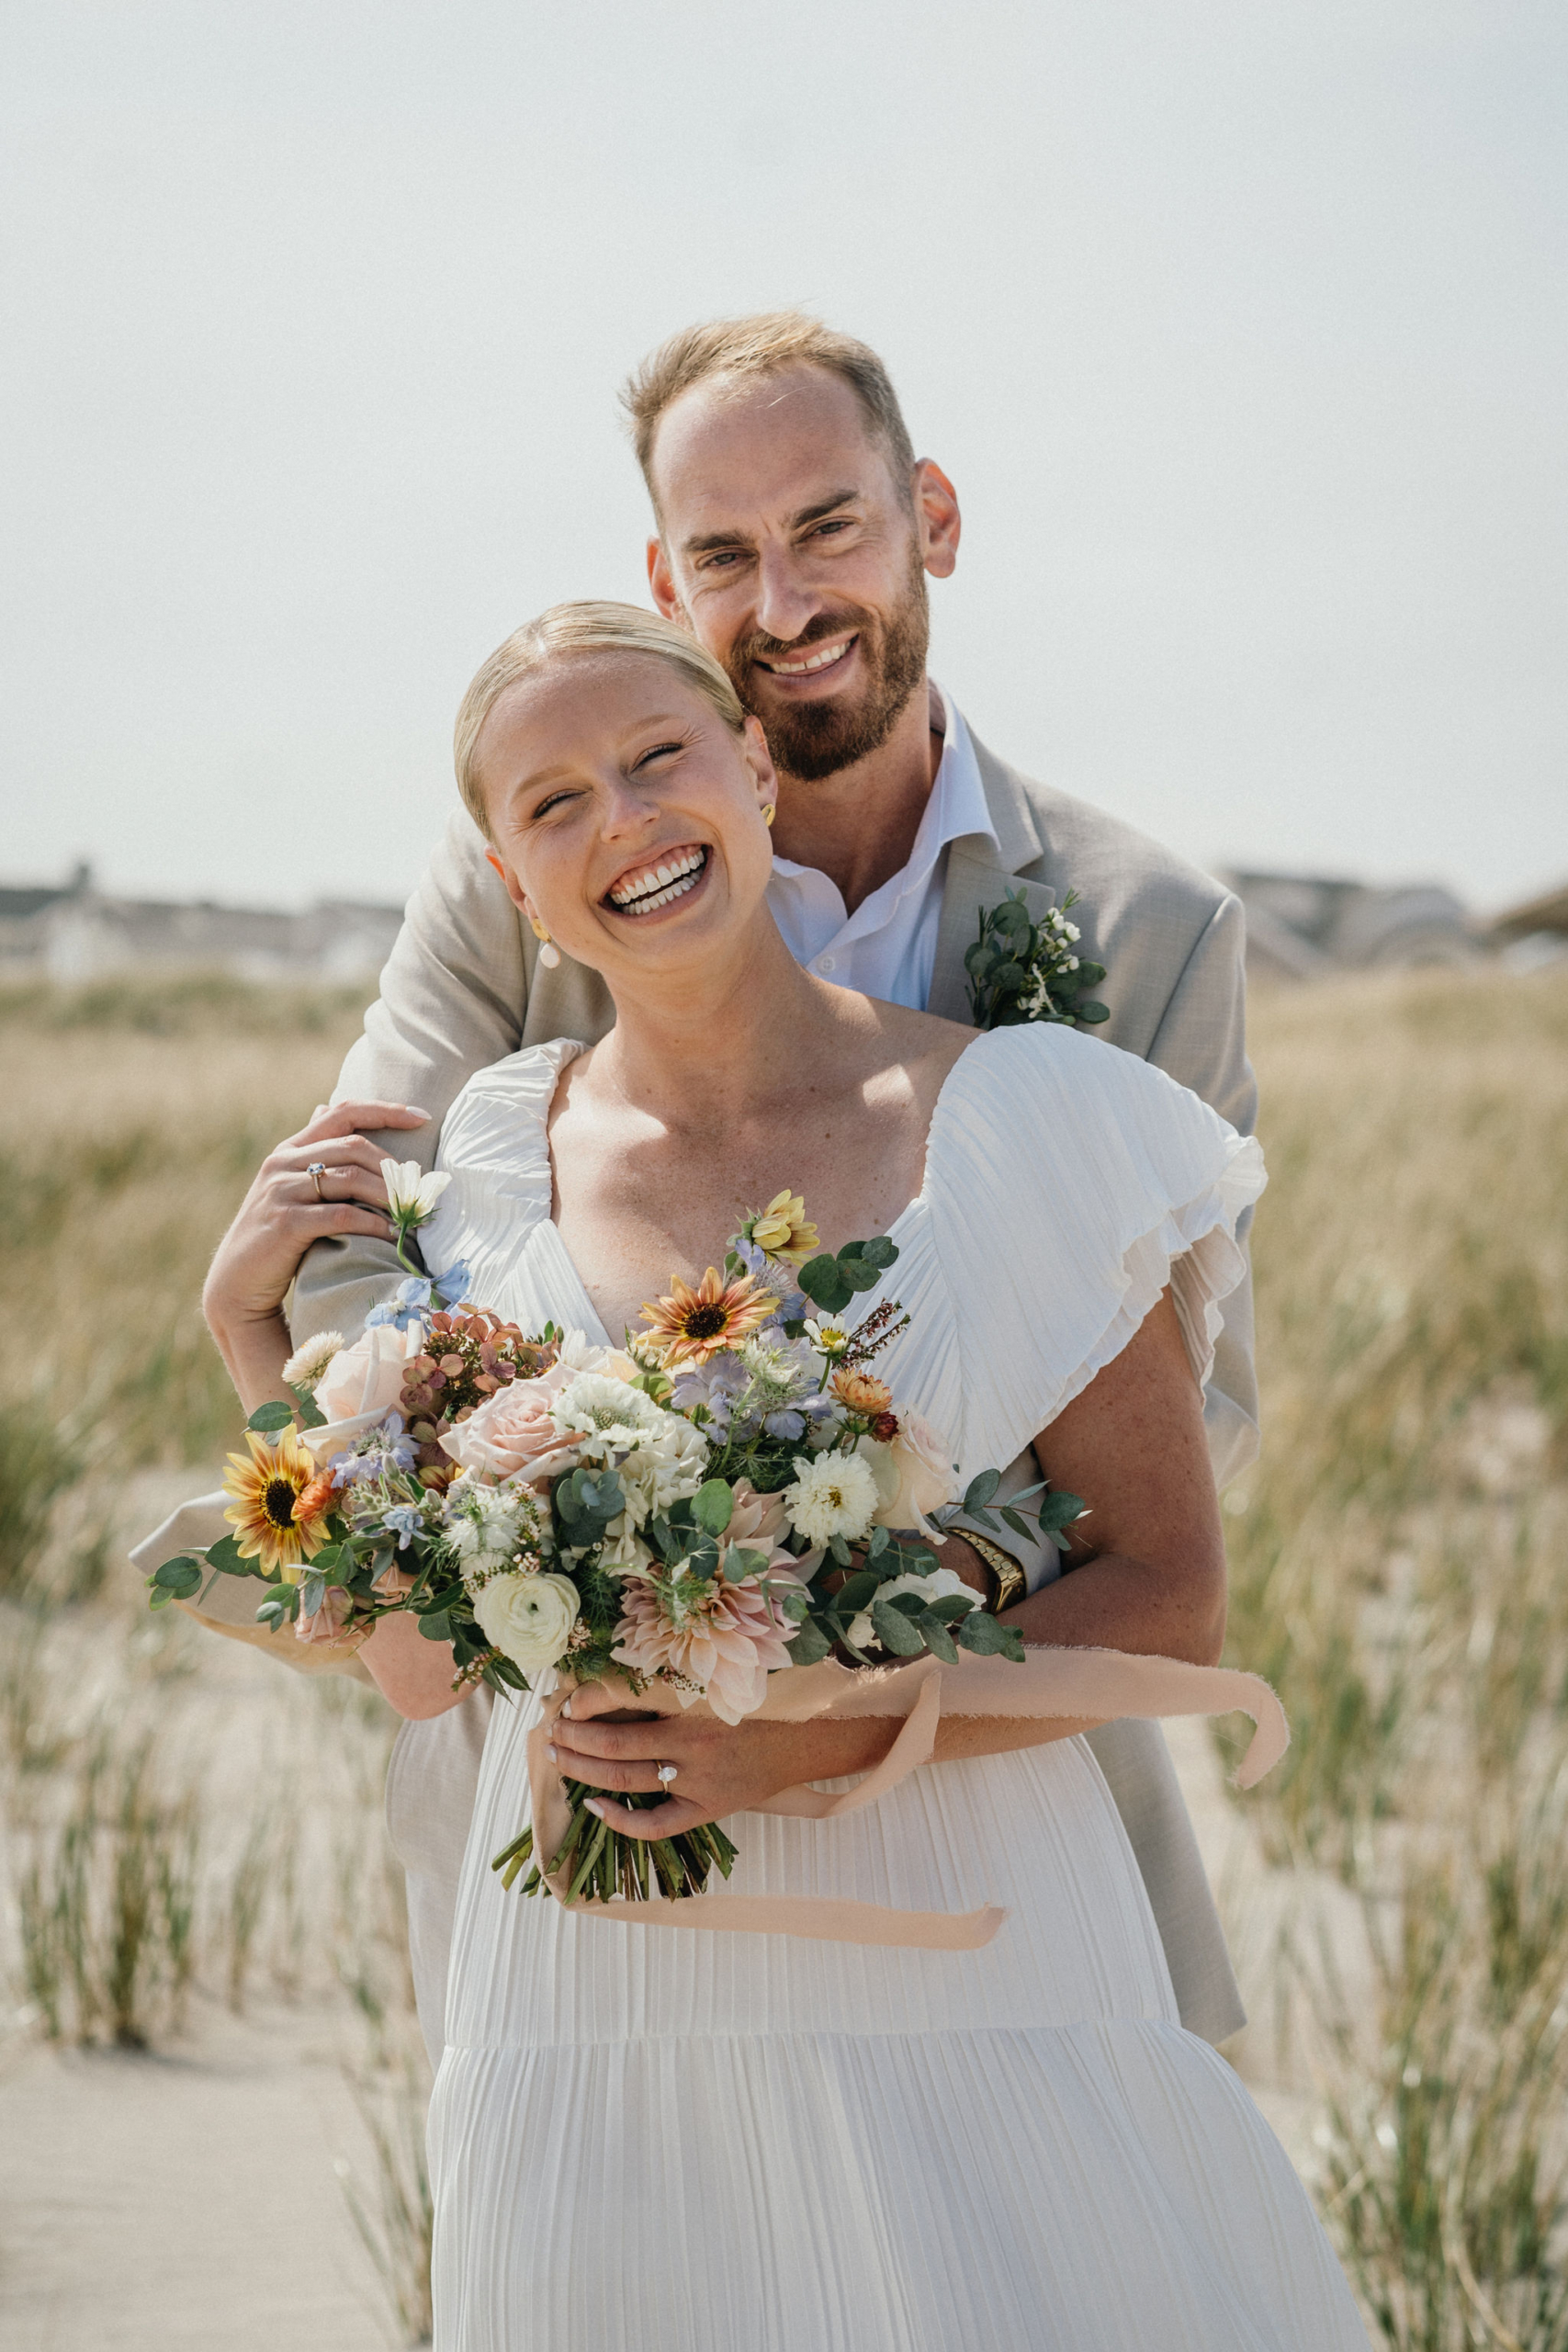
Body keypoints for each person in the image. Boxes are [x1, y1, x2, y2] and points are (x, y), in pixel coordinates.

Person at [205, 602, 1363, 2350]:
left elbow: (1172, 1595)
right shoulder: (484, 1181)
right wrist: (248, 1347)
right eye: (553, 802)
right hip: (598, 2012)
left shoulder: (1032, 1120)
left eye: (659, 756)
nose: (624, 822)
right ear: (513, 888)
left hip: (976, 1966)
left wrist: (811, 1734)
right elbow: (417, 1666)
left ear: (753, 766)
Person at [204, 312, 1258, 2062]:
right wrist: (583, 1566)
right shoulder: (539, 865)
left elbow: (1189, 1420)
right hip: (580, 1801)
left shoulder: (1146, 929)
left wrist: (804, 1630)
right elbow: (354, 1254)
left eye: (830, 527)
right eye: (724, 553)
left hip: (981, 1787)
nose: (783, 603)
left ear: (930, 512)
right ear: (663, 572)